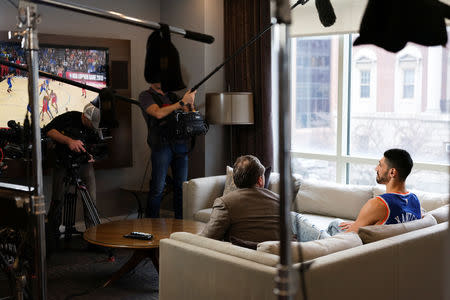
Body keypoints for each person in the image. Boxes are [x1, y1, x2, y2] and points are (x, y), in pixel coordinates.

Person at [292, 148, 422, 242]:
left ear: (392, 172)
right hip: (381, 250)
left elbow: (344, 242)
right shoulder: (414, 201)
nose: (376, 169)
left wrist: (357, 227)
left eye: (380, 165)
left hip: (343, 251)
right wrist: (360, 225)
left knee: (292, 217)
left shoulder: (379, 204)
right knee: (337, 223)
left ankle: (308, 245)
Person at [43, 103, 100, 248]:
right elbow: (48, 130)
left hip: (85, 165)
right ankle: (50, 240)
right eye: (91, 123)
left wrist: (93, 155)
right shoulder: (69, 117)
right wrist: (69, 141)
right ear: (84, 116)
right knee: (57, 200)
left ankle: (94, 240)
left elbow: (97, 145)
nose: (93, 126)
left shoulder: (96, 125)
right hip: (63, 163)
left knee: (91, 202)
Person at [139, 81, 196, 219]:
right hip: (161, 146)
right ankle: (151, 226)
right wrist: (182, 102)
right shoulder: (146, 96)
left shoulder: (173, 96)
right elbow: (158, 113)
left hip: (180, 145)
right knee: (158, 188)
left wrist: (190, 102)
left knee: (181, 188)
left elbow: (190, 115)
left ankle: (180, 227)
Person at [199, 155, 280, 243]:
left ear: (234, 181)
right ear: (260, 180)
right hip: (277, 255)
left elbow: (207, 240)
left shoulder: (224, 202)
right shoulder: (280, 201)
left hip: (242, 254)